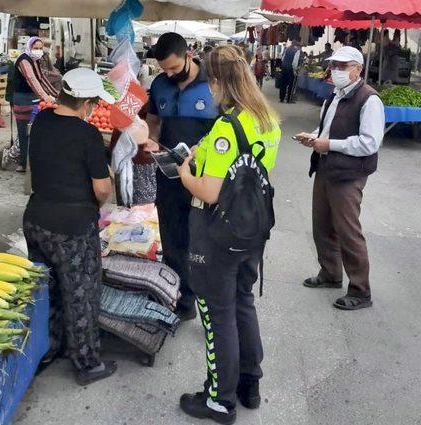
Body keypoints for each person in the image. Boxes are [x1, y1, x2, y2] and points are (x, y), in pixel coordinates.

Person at [176, 45, 281, 424]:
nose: (210, 91)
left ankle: (219, 400)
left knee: (216, 313)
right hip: (252, 225)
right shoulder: (267, 117)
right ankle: (249, 384)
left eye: (211, 83)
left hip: (216, 229)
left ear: (219, 82)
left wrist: (186, 174)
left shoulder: (227, 127)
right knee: (242, 302)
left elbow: (209, 190)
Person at [23, 68, 117, 384]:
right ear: (86, 103)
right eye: (93, 104)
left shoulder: (40, 123)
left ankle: (48, 349)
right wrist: (94, 207)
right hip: (72, 227)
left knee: (46, 288)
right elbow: (102, 188)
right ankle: (87, 363)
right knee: (81, 294)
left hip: (36, 219)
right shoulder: (87, 134)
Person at [294, 46, 384, 311]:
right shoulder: (334, 95)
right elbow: (328, 128)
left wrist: (329, 144)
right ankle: (330, 273)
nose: (336, 71)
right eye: (334, 65)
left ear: (358, 69)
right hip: (325, 167)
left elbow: (369, 143)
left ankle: (360, 290)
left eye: (343, 66)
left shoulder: (369, 99)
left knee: (348, 231)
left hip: (349, 174)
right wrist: (313, 137)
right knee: (321, 225)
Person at [145, 32, 219, 321]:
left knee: (202, 239)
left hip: (205, 178)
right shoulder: (160, 84)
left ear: (189, 55)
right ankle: (181, 297)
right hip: (169, 174)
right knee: (172, 236)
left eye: (174, 68)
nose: (169, 74)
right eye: (164, 69)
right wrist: (150, 140)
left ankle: (211, 301)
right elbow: (153, 120)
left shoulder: (213, 85)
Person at [11, 36, 59, 173]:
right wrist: (45, 97)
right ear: (29, 47)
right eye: (35, 48)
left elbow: (42, 79)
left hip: (33, 98)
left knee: (34, 131)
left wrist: (55, 95)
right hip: (22, 99)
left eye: (40, 48)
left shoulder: (35, 60)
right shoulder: (24, 60)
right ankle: (23, 163)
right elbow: (32, 80)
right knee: (24, 131)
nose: (38, 51)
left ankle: (32, 162)